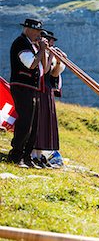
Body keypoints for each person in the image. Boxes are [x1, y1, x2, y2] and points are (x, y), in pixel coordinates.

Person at [7, 18, 48, 168]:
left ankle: (27, 156)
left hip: (32, 88)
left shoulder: (32, 45)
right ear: (27, 29)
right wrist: (42, 50)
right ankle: (16, 155)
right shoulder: (20, 43)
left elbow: (44, 68)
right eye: (36, 31)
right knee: (25, 122)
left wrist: (43, 51)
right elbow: (31, 64)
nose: (38, 34)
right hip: (22, 86)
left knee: (33, 123)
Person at [31, 30, 66, 168]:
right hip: (39, 89)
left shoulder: (45, 53)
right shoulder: (40, 52)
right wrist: (51, 55)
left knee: (46, 123)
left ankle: (40, 154)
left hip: (47, 90)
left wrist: (58, 62)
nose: (51, 43)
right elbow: (44, 70)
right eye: (49, 40)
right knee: (38, 122)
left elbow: (54, 73)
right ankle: (33, 154)